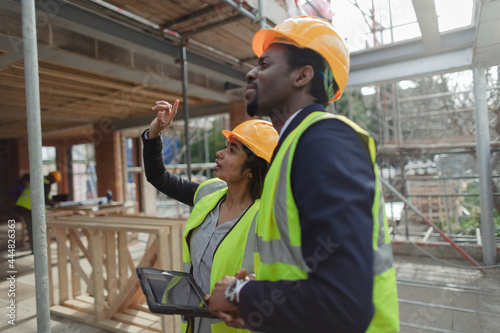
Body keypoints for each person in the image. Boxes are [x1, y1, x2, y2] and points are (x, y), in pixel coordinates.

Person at [206, 16, 400, 332]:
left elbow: (343, 302)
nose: (250, 72)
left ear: (302, 75)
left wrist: (240, 293)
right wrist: (262, 298)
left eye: (265, 64)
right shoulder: (296, 146)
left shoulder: (324, 142)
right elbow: (310, 272)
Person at [141, 99, 278, 333]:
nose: (220, 153)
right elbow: (159, 177)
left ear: (251, 172)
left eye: (232, 150)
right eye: (226, 146)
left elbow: (279, 284)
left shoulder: (267, 218)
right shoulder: (209, 192)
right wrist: (154, 134)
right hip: (195, 322)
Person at [15, 170, 62, 253]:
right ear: (53, 180)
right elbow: (45, 199)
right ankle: (35, 251)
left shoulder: (39, 180)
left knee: (33, 228)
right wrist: (54, 204)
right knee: (33, 229)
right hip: (27, 208)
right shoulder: (46, 184)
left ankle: (35, 249)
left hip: (24, 206)